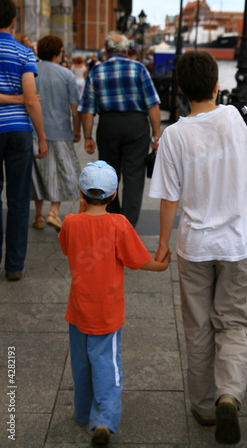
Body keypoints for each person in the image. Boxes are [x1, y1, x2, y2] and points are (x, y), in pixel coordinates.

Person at [149, 50, 247, 445]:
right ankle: (228, 396)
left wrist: (162, 245)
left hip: (196, 245)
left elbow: (168, 199)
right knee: (233, 324)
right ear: (217, 85)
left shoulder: (174, 136)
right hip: (241, 242)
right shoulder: (242, 117)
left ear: (181, 90)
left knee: (198, 328)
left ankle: (202, 407)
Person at [58, 160, 171, 446]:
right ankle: (104, 421)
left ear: (82, 195)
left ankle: (83, 413)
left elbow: (65, 245)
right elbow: (138, 260)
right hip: (106, 313)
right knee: (107, 365)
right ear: (112, 195)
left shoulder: (70, 222)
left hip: (77, 311)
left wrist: (83, 209)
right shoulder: (118, 224)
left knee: (81, 364)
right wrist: (160, 266)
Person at [79, 32, 161, 227]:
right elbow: (153, 106)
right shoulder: (139, 69)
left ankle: (112, 220)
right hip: (136, 125)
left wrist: (88, 137)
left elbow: (88, 110)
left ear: (106, 50)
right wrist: (155, 134)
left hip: (108, 125)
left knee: (109, 173)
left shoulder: (96, 72)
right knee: (134, 176)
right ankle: (128, 225)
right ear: (126, 50)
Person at [0, 0, 48, 282]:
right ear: (14, 21)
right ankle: (14, 266)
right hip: (18, 131)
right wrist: (42, 137)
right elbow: (31, 101)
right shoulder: (23, 53)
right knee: (19, 200)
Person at [31, 34, 81, 232]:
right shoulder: (66, 74)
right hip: (60, 130)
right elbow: (74, 107)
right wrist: (77, 130)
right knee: (60, 173)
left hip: (34, 130)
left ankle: (38, 216)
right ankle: (54, 211)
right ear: (57, 53)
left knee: (38, 174)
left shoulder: (31, 71)